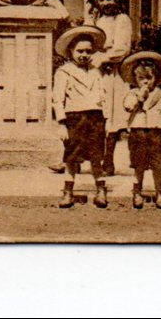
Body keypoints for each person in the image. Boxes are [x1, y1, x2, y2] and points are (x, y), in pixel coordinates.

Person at [51, 24, 109, 208]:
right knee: (71, 157)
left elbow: (102, 96)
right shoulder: (64, 72)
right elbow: (57, 99)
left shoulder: (95, 71)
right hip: (74, 119)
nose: (84, 55)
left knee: (96, 156)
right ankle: (68, 191)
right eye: (79, 51)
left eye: (88, 51)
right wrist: (62, 124)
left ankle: (100, 190)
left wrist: (105, 119)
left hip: (95, 118)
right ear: (70, 51)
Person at [85, 0, 135, 178]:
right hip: (93, 71)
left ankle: (109, 161)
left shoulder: (122, 19)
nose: (106, 3)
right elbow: (86, 36)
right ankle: (86, 159)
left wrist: (103, 57)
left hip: (113, 72)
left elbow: (122, 48)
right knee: (91, 114)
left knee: (111, 116)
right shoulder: (95, 19)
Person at [120, 51, 161, 209]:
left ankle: (160, 191)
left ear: (156, 78)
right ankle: (137, 191)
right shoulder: (132, 93)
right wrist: (140, 96)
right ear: (135, 79)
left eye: (149, 78)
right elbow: (128, 107)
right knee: (138, 164)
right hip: (138, 133)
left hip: (156, 133)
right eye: (141, 78)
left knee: (157, 164)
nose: (145, 82)